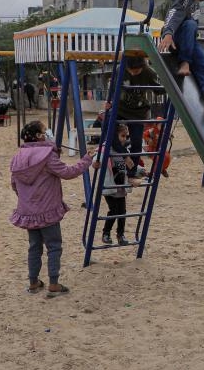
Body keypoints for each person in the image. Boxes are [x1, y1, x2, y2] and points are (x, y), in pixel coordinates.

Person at [9, 120, 93, 297]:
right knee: (54, 246)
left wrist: (27, 201)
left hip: (29, 212)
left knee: (34, 247)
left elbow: (14, 184)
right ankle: (53, 284)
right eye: (45, 130)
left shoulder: (17, 157)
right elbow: (68, 173)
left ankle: (33, 282)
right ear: (40, 136)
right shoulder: (47, 156)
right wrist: (86, 160)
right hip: (47, 210)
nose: (48, 133)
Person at [93, 123, 142, 246]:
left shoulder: (124, 150)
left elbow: (130, 165)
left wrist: (141, 170)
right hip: (109, 185)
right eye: (122, 136)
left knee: (122, 212)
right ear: (115, 136)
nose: (124, 139)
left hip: (120, 187)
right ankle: (106, 233)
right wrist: (95, 162)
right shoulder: (107, 148)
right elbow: (98, 157)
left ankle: (121, 235)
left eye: (126, 136)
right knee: (114, 210)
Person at [105, 54, 158, 167]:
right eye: (131, 71)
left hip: (137, 112)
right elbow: (113, 88)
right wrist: (109, 101)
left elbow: (158, 90)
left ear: (143, 66)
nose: (133, 73)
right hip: (120, 108)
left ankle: (132, 172)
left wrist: (170, 82)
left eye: (137, 71)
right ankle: (125, 155)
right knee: (109, 131)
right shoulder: (120, 69)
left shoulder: (149, 72)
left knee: (137, 143)